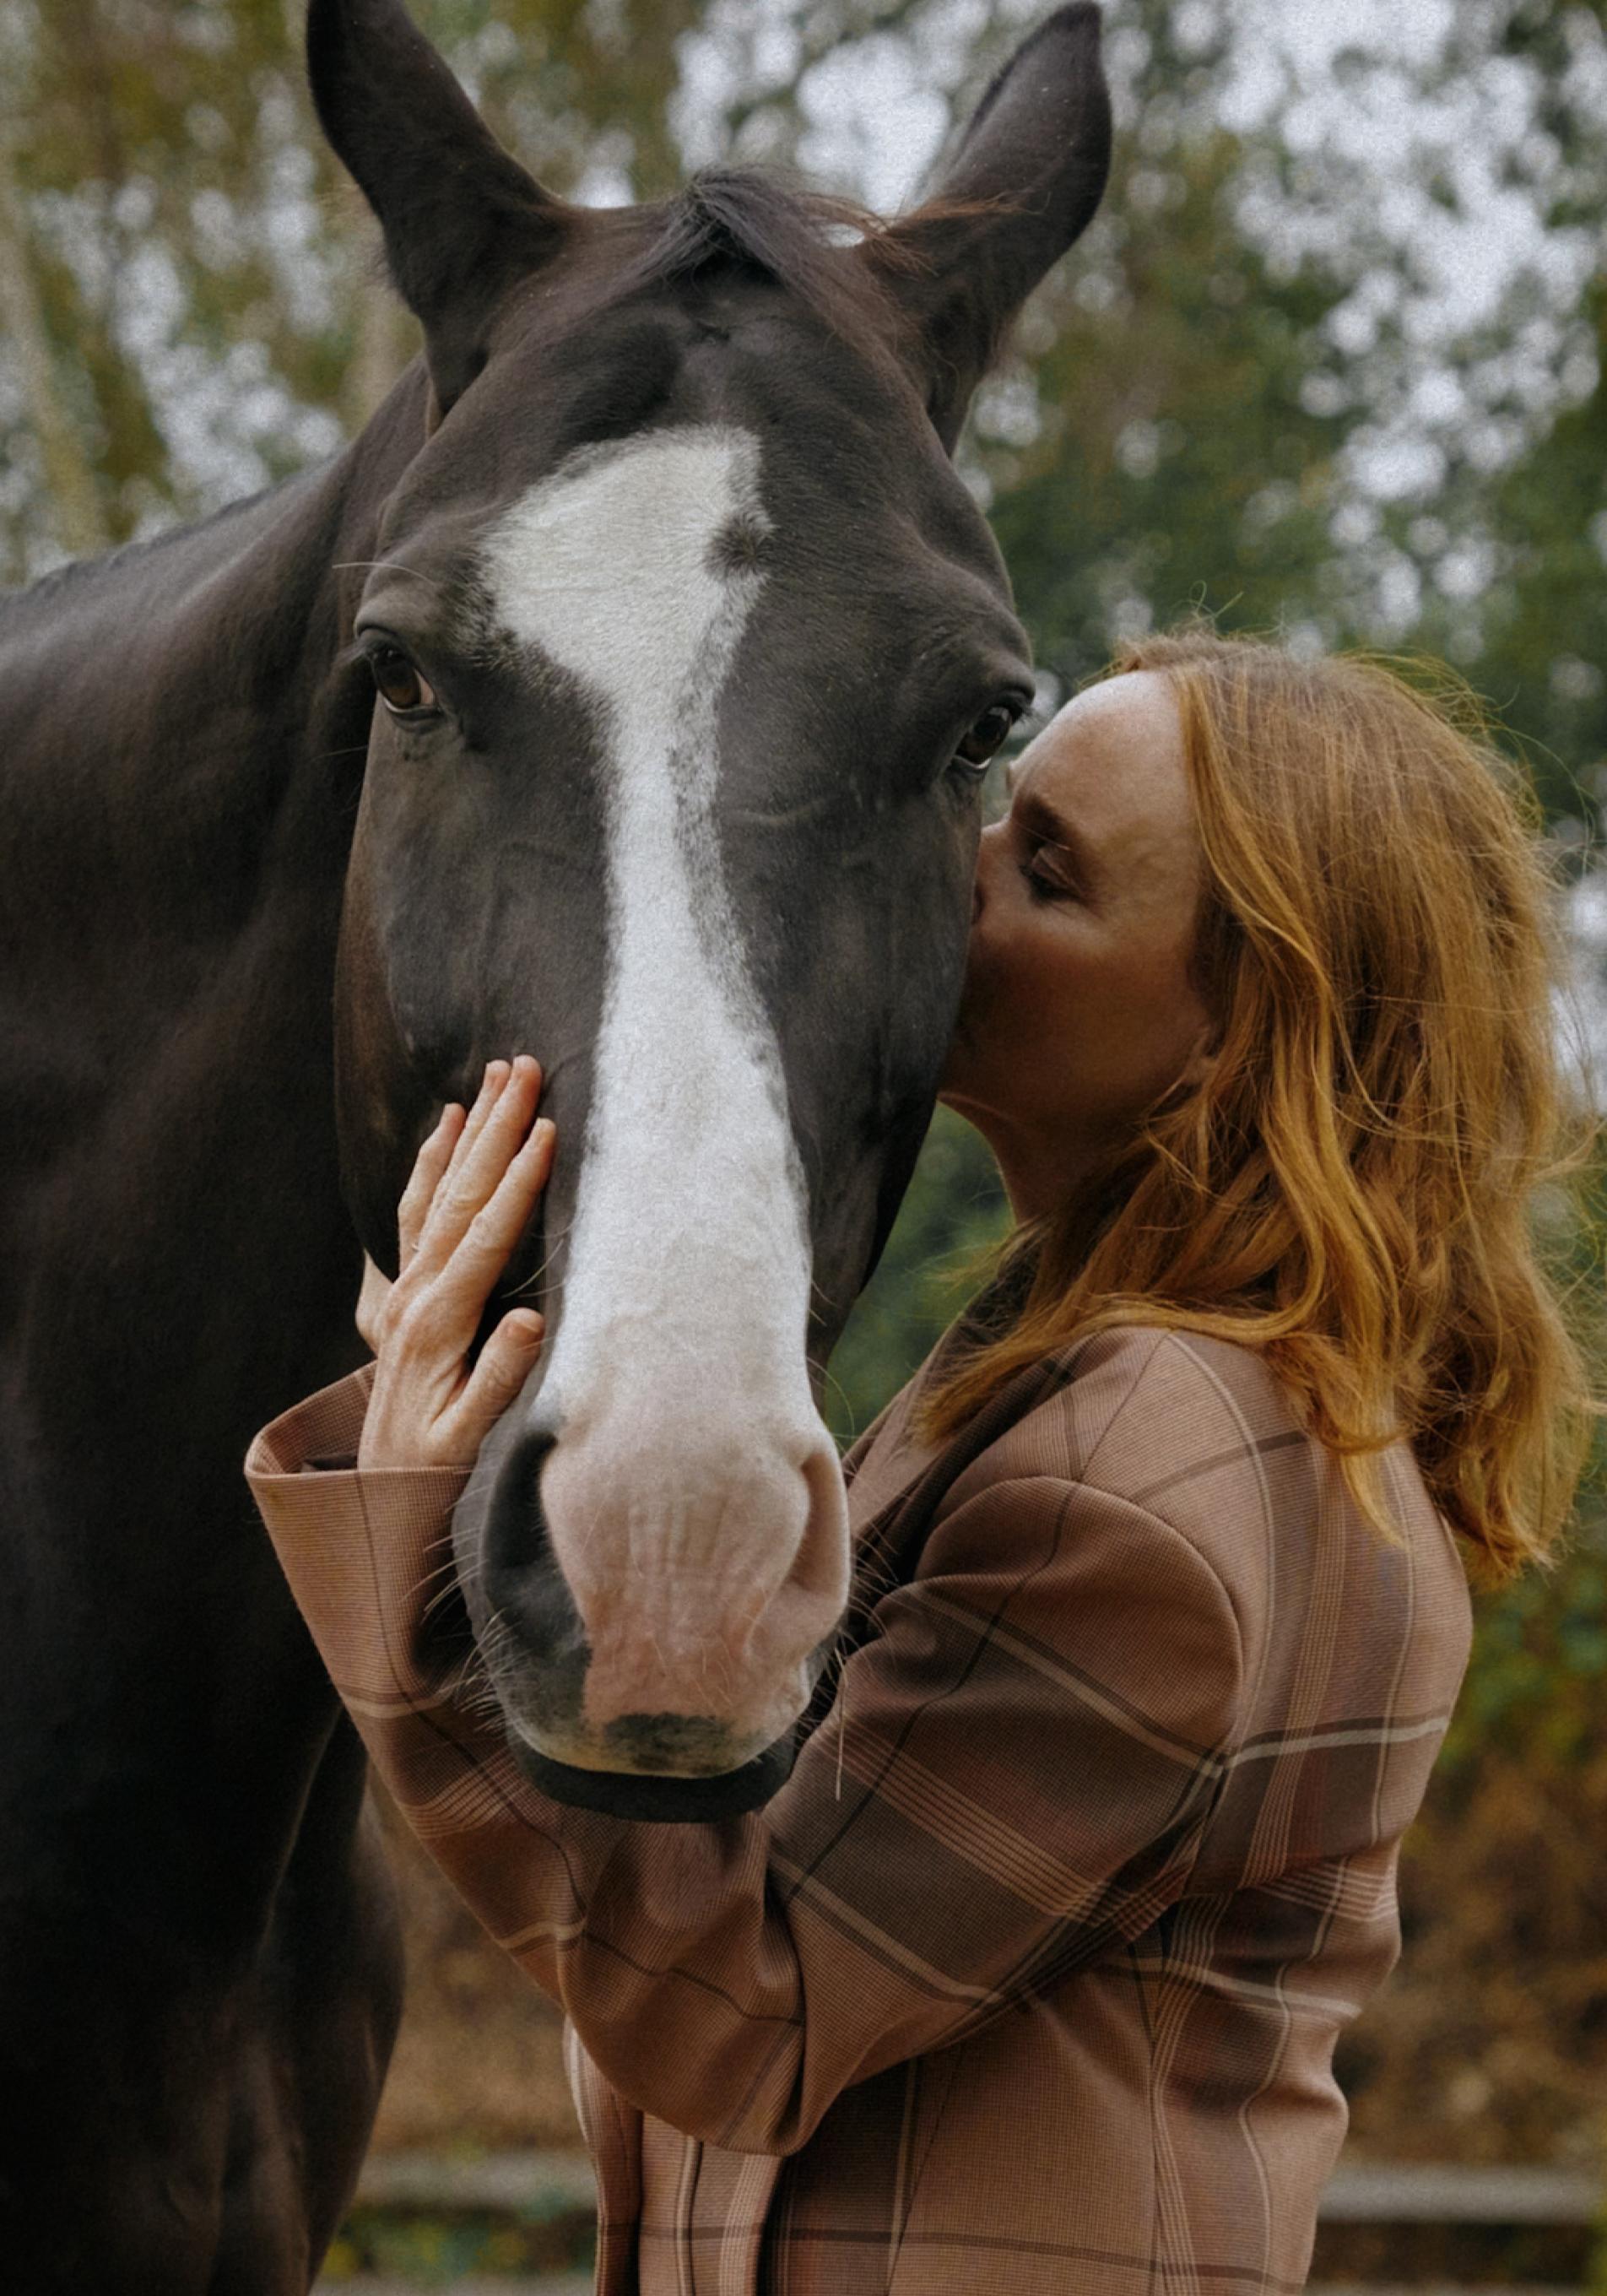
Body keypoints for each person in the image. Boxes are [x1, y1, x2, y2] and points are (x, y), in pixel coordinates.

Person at [245, 629, 1590, 2295]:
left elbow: (745, 2006)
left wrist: (429, 1560)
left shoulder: (1130, 1480)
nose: (956, 873)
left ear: (1237, 1038)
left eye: (1048, 871)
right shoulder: (1228, 1404)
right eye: (995, 809)